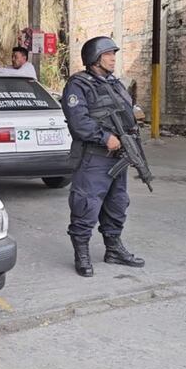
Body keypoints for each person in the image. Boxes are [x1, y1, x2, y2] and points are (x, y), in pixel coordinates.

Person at [61, 36, 145, 277]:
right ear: (94, 58)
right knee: (86, 204)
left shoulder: (114, 83)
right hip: (94, 157)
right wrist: (103, 137)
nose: (112, 58)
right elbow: (79, 122)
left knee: (117, 203)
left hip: (118, 157)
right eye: (108, 54)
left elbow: (127, 111)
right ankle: (82, 253)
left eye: (114, 54)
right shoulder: (79, 85)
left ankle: (114, 249)